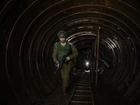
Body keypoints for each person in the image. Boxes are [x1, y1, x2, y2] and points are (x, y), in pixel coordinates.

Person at [52, 30, 78, 95]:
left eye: (63, 37)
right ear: (59, 38)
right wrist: (56, 62)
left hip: (68, 63)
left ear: (65, 37)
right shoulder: (56, 45)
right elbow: (54, 55)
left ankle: (64, 90)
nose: (62, 39)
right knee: (63, 77)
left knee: (66, 77)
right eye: (60, 37)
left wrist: (69, 57)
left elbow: (76, 53)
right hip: (60, 63)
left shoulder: (70, 44)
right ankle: (65, 86)